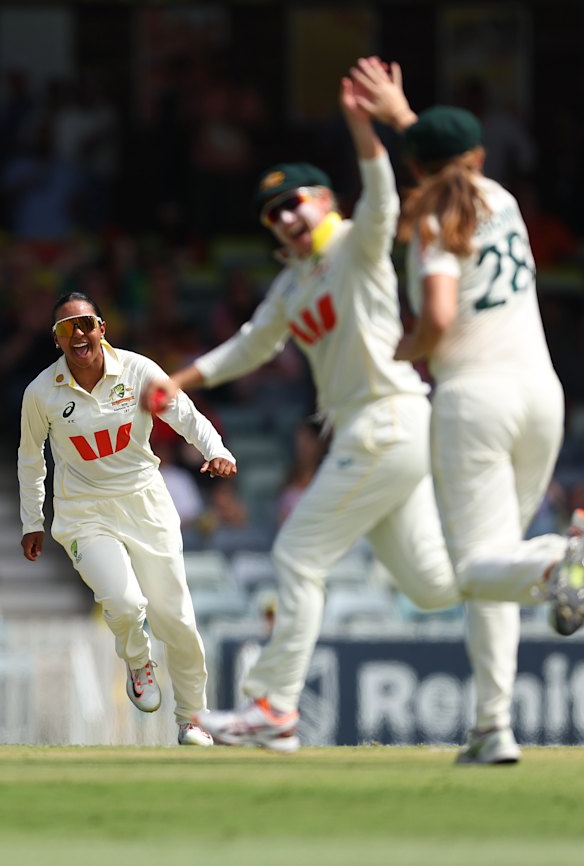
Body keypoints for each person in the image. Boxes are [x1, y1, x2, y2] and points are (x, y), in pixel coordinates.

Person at [143, 63, 582, 760]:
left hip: (390, 418)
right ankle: (546, 580)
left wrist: (361, 124)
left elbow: (383, 187)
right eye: (273, 212)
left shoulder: (359, 242)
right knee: (438, 584)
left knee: (296, 552)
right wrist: (178, 380)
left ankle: (273, 707)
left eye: (298, 201)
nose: (287, 215)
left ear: (328, 202)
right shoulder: (293, 283)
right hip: (400, 426)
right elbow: (250, 346)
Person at [351, 56, 584, 764]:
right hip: (541, 395)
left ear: (414, 167)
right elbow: (447, 152)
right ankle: (493, 727)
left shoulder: (431, 217)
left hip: (475, 399)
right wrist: (402, 115)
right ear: (477, 157)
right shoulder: (503, 198)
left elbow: (441, 316)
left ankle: (561, 565)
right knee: (498, 562)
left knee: (473, 569)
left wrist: (405, 347)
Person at [18, 291, 237, 747]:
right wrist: (31, 521)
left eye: (86, 324)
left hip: (144, 501)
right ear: (56, 339)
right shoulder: (41, 393)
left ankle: (193, 718)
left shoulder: (138, 371)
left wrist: (215, 450)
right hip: (83, 513)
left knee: (175, 616)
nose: (78, 335)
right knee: (123, 602)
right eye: (66, 329)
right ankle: (138, 662)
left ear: (103, 328)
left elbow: (184, 413)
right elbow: (30, 459)